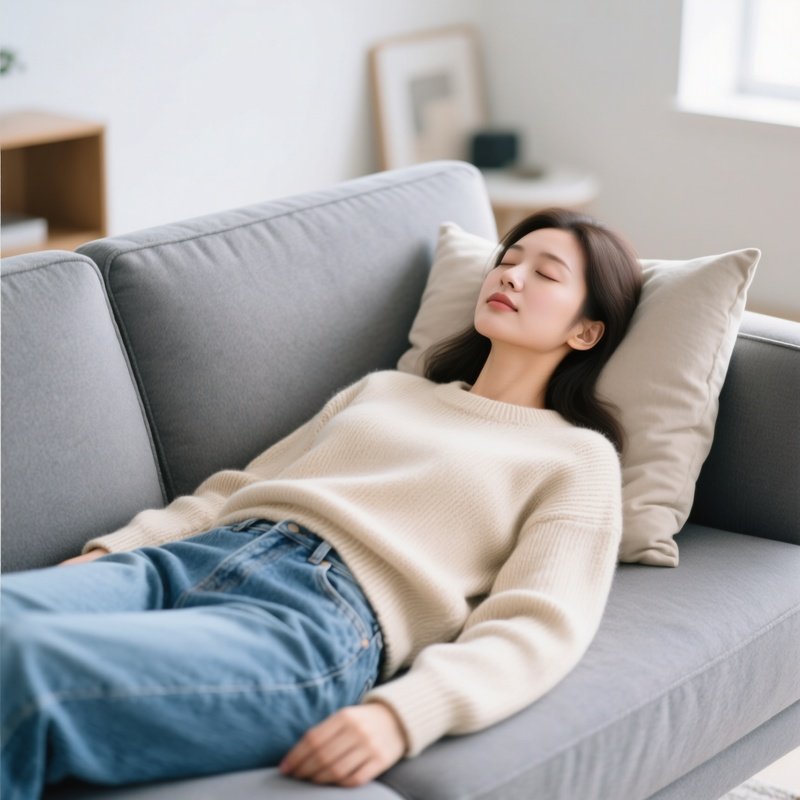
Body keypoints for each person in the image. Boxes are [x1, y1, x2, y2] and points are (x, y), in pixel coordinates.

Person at [1, 208, 642, 799]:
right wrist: (115, 551)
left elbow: (540, 624)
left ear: (586, 331)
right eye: (507, 258)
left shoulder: (577, 459)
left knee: (33, 671)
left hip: (311, 619)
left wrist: (405, 712)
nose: (511, 275)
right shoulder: (387, 390)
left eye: (545, 272)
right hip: (189, 558)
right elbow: (232, 490)